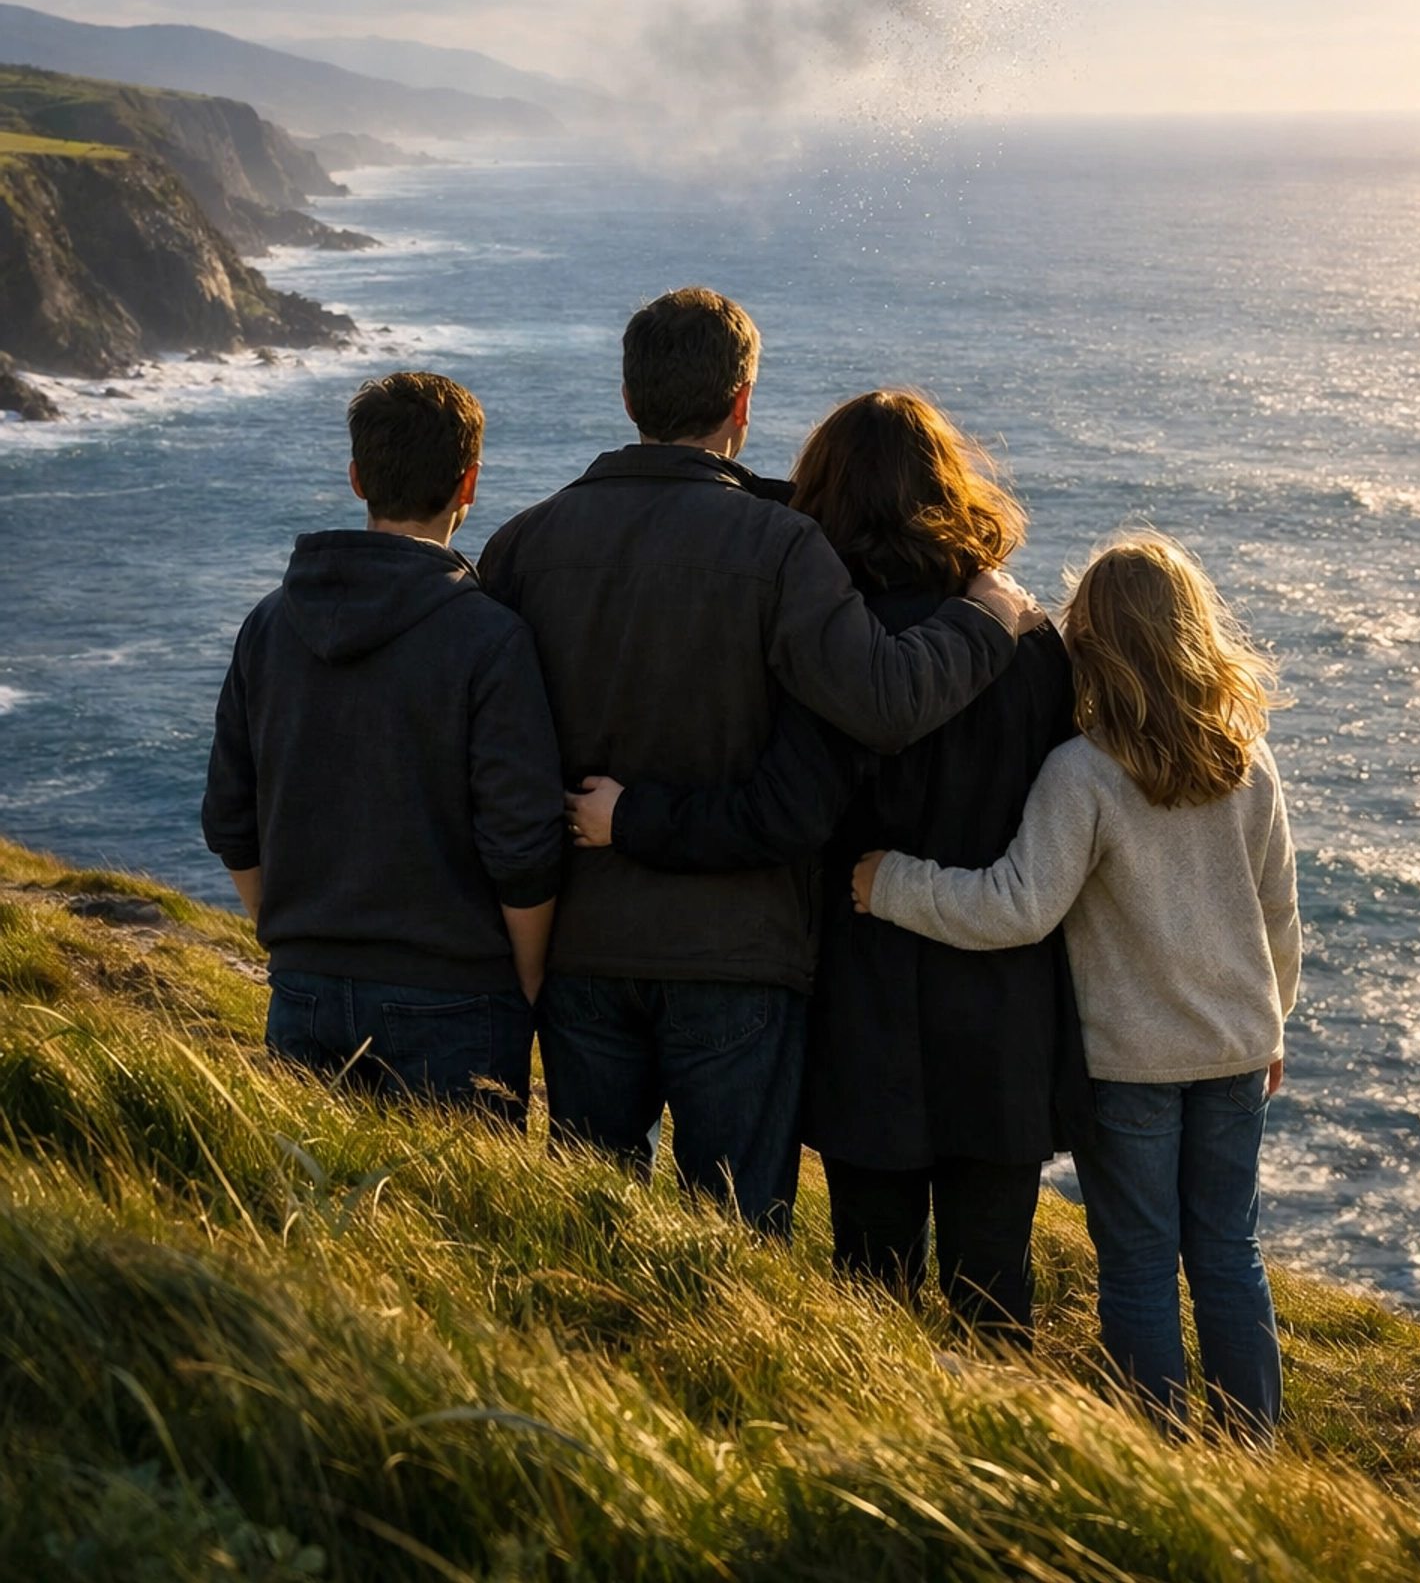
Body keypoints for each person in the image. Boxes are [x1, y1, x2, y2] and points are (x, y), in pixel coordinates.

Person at [476, 291, 1035, 1235]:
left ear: (627, 397)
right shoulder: (784, 550)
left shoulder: (522, 545)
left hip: (580, 949)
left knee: (580, 1235)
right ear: (742, 403)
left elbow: (487, 758)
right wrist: (989, 617)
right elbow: (887, 702)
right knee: (736, 1252)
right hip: (735, 956)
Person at [568, 389, 1091, 1338]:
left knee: (870, 1303)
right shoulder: (1033, 644)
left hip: (867, 1010)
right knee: (994, 1303)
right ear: (952, 488)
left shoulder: (828, 646)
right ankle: (1001, 1481)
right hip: (1005, 1015)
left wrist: (637, 817)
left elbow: (780, 814)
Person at [854, 532, 1300, 1441]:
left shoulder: (1085, 773)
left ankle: (1160, 1458)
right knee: (1228, 1253)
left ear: (1093, 642)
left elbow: (1016, 907)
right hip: (1235, 1051)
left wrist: (889, 883)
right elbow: (1279, 916)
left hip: (1131, 1064)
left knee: (1138, 1264)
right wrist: (1273, 1023)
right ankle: (1253, 1457)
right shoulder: (1246, 762)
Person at [201, 372, 564, 1120]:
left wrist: (294, 937)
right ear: (469, 484)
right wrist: (527, 977)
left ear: (358, 477)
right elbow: (520, 841)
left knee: (314, 1227)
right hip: (458, 992)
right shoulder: (490, 636)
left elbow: (228, 817)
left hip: (303, 983)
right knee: (451, 1233)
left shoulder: (268, 625)